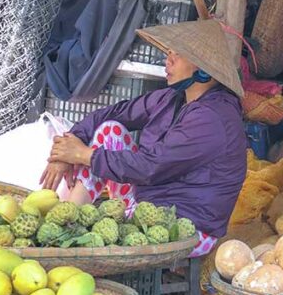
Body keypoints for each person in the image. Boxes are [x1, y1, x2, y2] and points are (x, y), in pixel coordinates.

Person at [41, 19, 248, 257]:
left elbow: (152, 166)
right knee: (110, 129)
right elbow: (110, 114)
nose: (167, 61)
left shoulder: (212, 118)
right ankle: (66, 219)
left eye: (177, 55)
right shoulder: (171, 99)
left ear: (203, 69)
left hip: (186, 225)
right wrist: (68, 148)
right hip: (149, 203)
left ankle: (61, 241)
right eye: (168, 53)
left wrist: (83, 154)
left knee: (94, 158)